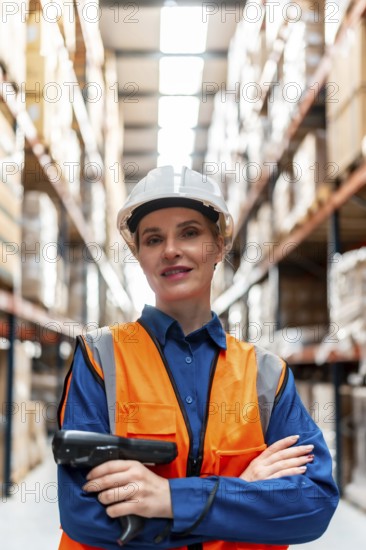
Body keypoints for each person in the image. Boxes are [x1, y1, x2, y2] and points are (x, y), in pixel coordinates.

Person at [56, 165, 339, 550]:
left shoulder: (265, 374)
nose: (171, 249)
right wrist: (243, 493)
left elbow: (314, 503)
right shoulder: (100, 359)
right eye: (153, 239)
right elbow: (84, 514)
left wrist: (170, 499)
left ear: (219, 246)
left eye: (189, 232)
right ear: (138, 255)